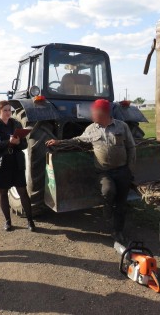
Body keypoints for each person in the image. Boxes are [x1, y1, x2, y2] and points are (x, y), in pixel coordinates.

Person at [46, 99, 136, 243]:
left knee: (121, 204)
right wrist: (59, 142)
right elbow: (78, 140)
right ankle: (107, 207)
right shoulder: (91, 129)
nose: (91, 115)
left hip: (122, 171)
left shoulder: (122, 126)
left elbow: (131, 147)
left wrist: (130, 169)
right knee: (108, 191)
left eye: (94, 112)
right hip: (104, 172)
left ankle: (118, 231)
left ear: (104, 113)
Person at [0, 101, 36, 232]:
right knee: (3, 192)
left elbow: (25, 145)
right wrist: (8, 142)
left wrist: (19, 142)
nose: (8, 112)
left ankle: (30, 221)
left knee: (22, 191)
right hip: (1, 163)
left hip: (16, 161)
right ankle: (8, 222)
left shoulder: (17, 123)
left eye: (10, 110)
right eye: (5, 110)